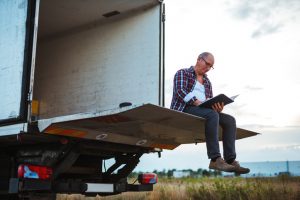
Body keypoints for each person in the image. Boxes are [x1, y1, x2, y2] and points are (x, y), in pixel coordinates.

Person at [170, 52, 250, 174]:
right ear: (198, 59)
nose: (207, 68)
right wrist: (196, 102)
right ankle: (215, 159)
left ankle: (230, 160)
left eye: (210, 66)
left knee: (230, 120)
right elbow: (180, 92)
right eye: (207, 64)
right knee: (212, 115)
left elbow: (209, 100)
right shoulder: (183, 73)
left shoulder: (207, 82)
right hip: (184, 109)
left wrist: (217, 107)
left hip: (203, 111)